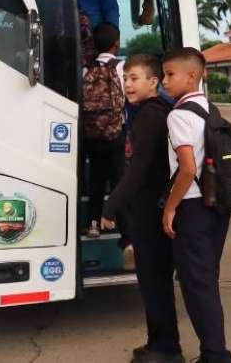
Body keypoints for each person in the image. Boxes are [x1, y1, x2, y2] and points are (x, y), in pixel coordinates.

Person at [100, 55, 183, 363]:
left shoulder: (150, 116)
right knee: (153, 283)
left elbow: (137, 171)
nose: (128, 84)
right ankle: (159, 343)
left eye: (135, 78)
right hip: (149, 213)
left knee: (155, 283)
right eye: (125, 79)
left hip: (150, 215)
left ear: (153, 82)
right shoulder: (150, 112)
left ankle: (166, 348)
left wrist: (111, 205)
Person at [162, 47, 231, 363]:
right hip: (216, 205)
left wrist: (170, 207)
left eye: (169, 74)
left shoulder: (179, 115)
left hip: (192, 207)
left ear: (192, 75)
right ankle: (215, 352)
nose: (165, 81)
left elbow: (188, 168)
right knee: (207, 281)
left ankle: (215, 355)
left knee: (197, 286)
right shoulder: (210, 110)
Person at [83, 23, 126, 239]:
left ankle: (93, 224)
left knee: (96, 180)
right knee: (120, 179)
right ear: (116, 44)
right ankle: (126, 229)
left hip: (92, 135)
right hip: (117, 132)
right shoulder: (121, 67)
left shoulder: (86, 69)